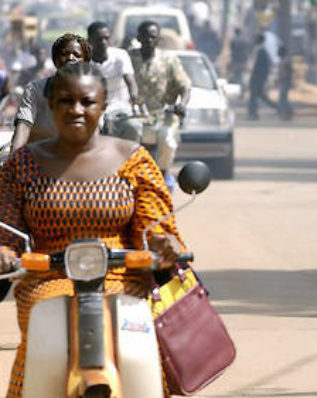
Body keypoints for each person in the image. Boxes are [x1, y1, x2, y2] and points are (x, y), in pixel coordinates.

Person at [0, 62, 185, 398]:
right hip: (46, 278)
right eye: (66, 101)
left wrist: (164, 243)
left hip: (123, 277)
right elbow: (7, 232)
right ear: (51, 105)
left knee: (142, 355)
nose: (76, 110)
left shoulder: (136, 160)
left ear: (103, 106)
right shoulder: (21, 165)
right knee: (42, 346)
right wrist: (5, 253)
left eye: (87, 102)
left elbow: (154, 226)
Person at [129, 20, 191, 192]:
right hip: (135, 115)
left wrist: (182, 105)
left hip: (163, 114)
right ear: (138, 38)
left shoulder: (169, 60)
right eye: (145, 36)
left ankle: (162, 174)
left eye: (153, 37)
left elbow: (184, 86)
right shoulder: (129, 58)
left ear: (158, 40)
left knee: (166, 138)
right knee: (124, 137)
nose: (149, 40)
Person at [11, 33, 92, 151]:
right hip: (39, 156)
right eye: (64, 54)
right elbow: (23, 127)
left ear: (85, 63)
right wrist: (14, 161)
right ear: (55, 60)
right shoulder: (35, 89)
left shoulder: (92, 93)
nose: (70, 58)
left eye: (76, 55)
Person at [87, 21, 140, 141]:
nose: (103, 42)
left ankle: (132, 158)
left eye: (106, 38)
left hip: (120, 108)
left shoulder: (120, 56)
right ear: (89, 40)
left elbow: (130, 81)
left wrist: (133, 95)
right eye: (99, 39)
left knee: (134, 127)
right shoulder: (85, 62)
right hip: (95, 110)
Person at [247, 33, 278, 120]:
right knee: (261, 96)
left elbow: (261, 68)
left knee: (254, 96)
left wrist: (261, 79)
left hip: (257, 79)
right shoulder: (260, 51)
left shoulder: (261, 52)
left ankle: (252, 114)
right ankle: (277, 108)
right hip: (258, 78)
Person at [277, 45, 293, 120]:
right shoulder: (285, 59)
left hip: (285, 81)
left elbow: (286, 72)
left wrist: (282, 78)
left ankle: (287, 113)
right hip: (285, 81)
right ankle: (287, 112)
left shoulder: (286, 60)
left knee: (283, 98)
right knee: (283, 98)